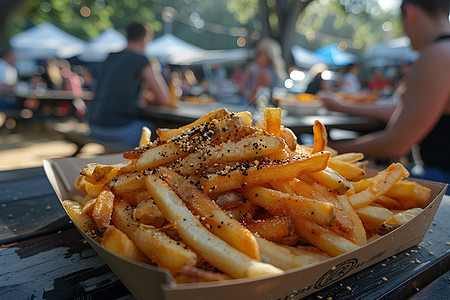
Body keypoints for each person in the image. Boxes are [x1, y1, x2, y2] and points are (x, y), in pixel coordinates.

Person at [319, 0, 450, 184]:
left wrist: (325, 150)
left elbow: (397, 144)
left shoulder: (436, 56)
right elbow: (407, 113)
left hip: (442, 179)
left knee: (341, 178)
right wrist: (341, 106)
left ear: (410, 13)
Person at [87, 22, 170, 147]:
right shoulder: (141, 59)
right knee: (155, 130)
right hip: (117, 130)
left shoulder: (111, 57)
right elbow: (165, 100)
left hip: (94, 126)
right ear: (144, 39)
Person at [237, 38, 286, 104]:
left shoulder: (265, 74)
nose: (256, 58)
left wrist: (243, 89)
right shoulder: (277, 71)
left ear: (267, 56)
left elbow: (253, 99)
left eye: (258, 54)